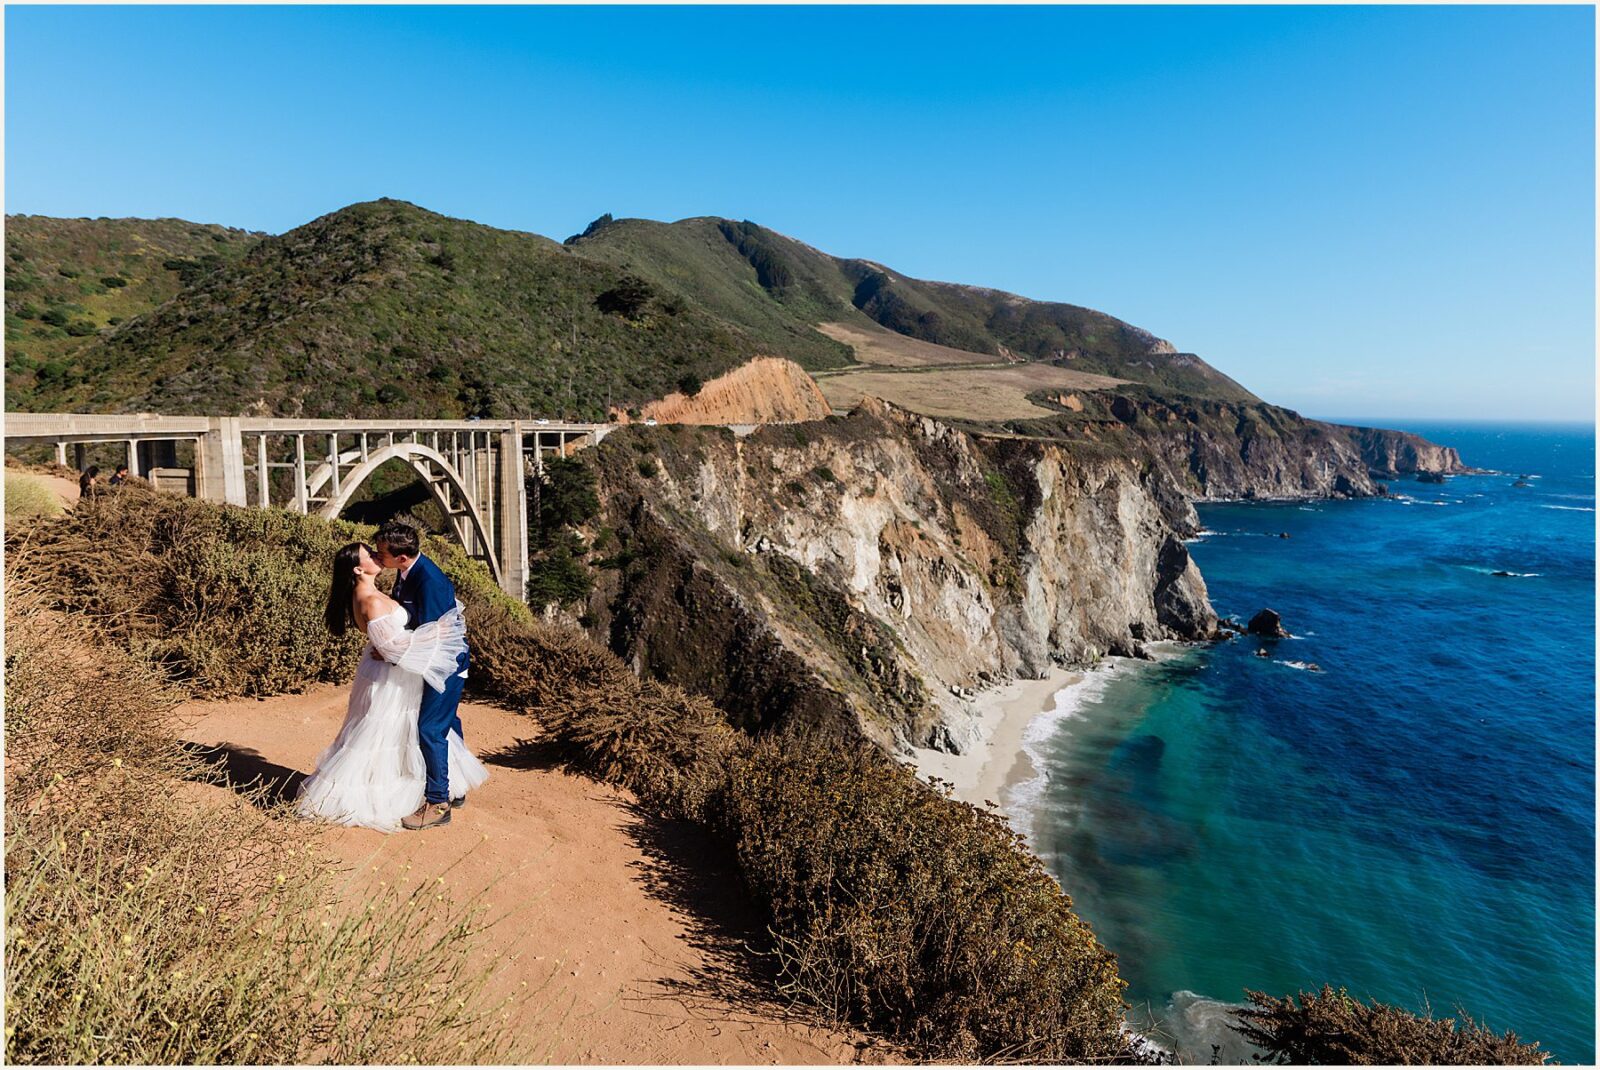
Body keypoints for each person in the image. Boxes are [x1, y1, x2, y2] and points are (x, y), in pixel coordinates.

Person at [296, 541, 488, 832]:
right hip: (389, 675)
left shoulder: (373, 592)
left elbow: (391, 642)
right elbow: (393, 648)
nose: (376, 556)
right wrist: (441, 631)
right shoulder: (371, 600)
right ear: (358, 569)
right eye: (370, 555)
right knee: (384, 733)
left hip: (393, 671)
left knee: (406, 730)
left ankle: (440, 787)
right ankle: (384, 795)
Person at [373, 520, 473, 830]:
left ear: (401, 557)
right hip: (433, 661)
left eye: (382, 554)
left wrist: (393, 654)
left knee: (430, 728)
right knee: (446, 723)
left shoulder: (429, 580)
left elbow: (435, 634)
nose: (377, 557)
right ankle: (456, 786)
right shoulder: (407, 571)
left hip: (445, 664)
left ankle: (438, 802)